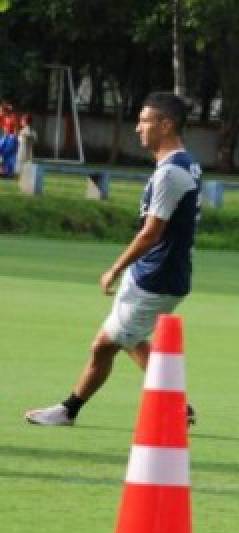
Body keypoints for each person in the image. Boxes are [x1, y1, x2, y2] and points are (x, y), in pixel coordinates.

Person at [25, 93, 202, 427]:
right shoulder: (184, 163)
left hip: (157, 278)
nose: (138, 128)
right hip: (153, 273)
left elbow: (152, 233)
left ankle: (68, 410)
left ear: (165, 125)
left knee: (103, 346)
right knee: (128, 340)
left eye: (145, 120)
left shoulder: (171, 173)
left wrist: (114, 268)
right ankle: (179, 406)